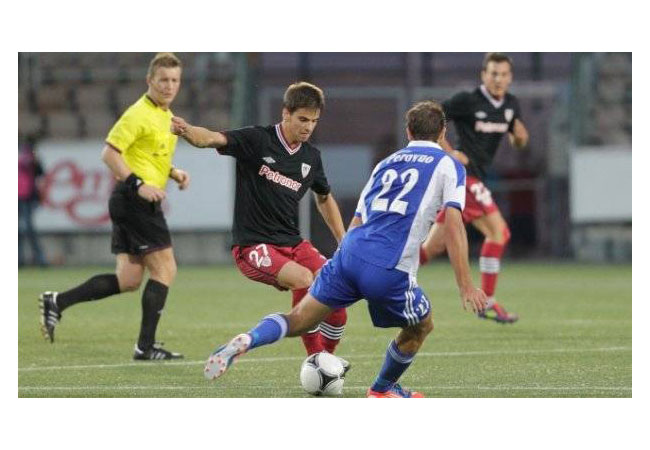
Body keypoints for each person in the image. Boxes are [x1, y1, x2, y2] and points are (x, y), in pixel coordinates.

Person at [201, 100, 487, 398]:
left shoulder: (386, 164)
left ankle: (249, 339)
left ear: (409, 132)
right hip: (388, 267)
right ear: (442, 132)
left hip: (348, 256)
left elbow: (359, 219)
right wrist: (466, 285)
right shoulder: (449, 165)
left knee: (298, 320)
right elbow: (453, 224)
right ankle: (381, 390)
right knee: (421, 326)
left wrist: (341, 261)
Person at [171, 82, 349, 363]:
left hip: (293, 243)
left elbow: (324, 197)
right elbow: (212, 138)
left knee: (336, 289)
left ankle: (327, 362)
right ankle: (316, 358)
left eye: (314, 121)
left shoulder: (311, 157)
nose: (308, 127)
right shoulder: (257, 140)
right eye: (303, 119)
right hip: (253, 246)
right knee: (303, 279)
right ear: (286, 113)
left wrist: (343, 239)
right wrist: (187, 131)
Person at [39, 53, 191, 360]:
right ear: (149, 80)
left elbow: (146, 156)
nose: (169, 86)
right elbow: (109, 154)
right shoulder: (138, 113)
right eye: (163, 79)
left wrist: (172, 172)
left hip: (130, 201)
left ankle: (58, 302)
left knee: (129, 279)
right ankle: (145, 347)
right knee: (165, 268)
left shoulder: (166, 115)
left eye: (174, 80)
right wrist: (139, 184)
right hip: (135, 201)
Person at [420, 52, 529, 324]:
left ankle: (382, 272)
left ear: (510, 77)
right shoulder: (467, 100)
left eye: (503, 74)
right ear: (484, 75)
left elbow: (517, 139)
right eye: (493, 73)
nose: (498, 79)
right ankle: (487, 302)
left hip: (474, 178)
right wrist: (449, 152)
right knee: (498, 232)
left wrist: (520, 138)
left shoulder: (511, 104)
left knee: (431, 248)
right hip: (465, 178)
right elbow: (431, 118)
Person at [18, 135, 47, 267]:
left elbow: (40, 172)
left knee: (28, 229)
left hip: (26, 196)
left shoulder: (29, 153)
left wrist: (35, 160)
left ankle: (39, 258)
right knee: (22, 229)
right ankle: (21, 259)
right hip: (22, 196)